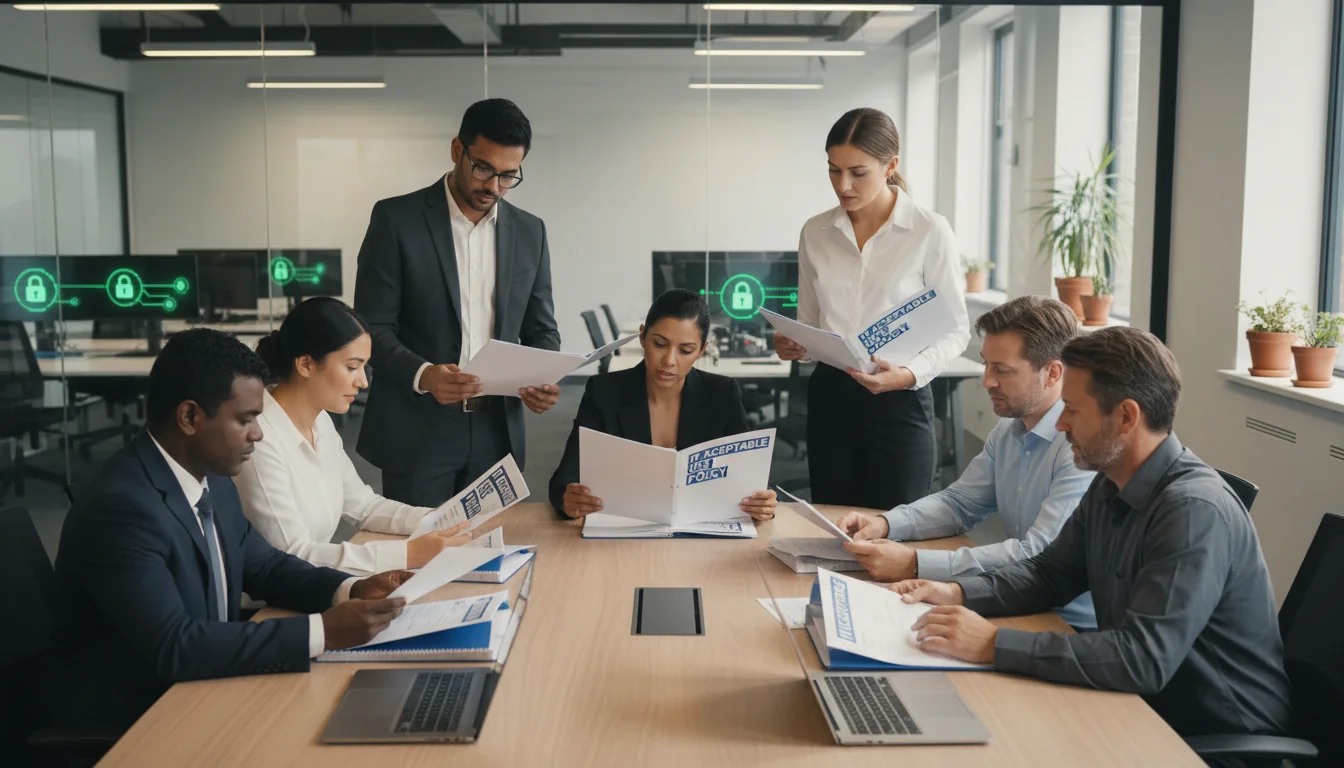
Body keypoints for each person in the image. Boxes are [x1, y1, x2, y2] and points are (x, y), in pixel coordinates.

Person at [890, 327, 1293, 740]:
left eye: (1073, 409)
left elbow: (1143, 658)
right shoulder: (1110, 480)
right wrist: (958, 592)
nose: (1061, 423)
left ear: (1126, 417)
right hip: (1137, 703)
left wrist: (994, 643)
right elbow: (1051, 573)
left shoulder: (1192, 511)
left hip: (1209, 733)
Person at [39, 329, 415, 739]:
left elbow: (266, 567)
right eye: (246, 419)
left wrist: (351, 590)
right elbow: (175, 646)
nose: (258, 434)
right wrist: (323, 631)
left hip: (200, 685)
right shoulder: (121, 508)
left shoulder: (209, 478)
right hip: (132, 718)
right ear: (189, 418)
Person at [837, 296, 1097, 629]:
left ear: (1052, 374)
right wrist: (885, 524)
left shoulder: (1080, 447)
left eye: (1002, 370)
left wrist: (915, 563)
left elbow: (1039, 554)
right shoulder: (1010, 429)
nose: (987, 381)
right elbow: (960, 503)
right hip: (1018, 601)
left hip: (1067, 625)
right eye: (986, 364)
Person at [354, 97, 561, 506]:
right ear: (456, 150)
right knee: (419, 559)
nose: (493, 187)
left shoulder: (530, 231)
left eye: (508, 176)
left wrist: (542, 375)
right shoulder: (397, 220)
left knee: (493, 558)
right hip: (418, 427)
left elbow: (542, 329)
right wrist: (424, 373)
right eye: (483, 168)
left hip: (496, 428)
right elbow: (370, 329)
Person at [774, 107, 970, 510]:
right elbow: (811, 323)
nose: (842, 185)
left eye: (857, 172)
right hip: (832, 398)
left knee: (897, 529)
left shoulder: (928, 231)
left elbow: (956, 331)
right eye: (833, 170)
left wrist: (909, 375)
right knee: (835, 529)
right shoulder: (816, 231)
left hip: (900, 399)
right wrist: (796, 344)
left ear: (890, 166)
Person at [237, 297, 471, 576]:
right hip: (274, 604)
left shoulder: (319, 420)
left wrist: (437, 519)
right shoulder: (260, 439)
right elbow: (293, 554)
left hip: (314, 586)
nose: (362, 381)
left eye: (364, 367)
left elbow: (364, 506)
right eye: (352, 366)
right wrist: (408, 554)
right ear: (306, 365)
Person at [549, 289, 777, 521]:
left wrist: (762, 503)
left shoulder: (722, 394)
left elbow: (750, 478)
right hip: (623, 531)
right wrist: (569, 499)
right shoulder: (604, 392)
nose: (669, 361)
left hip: (701, 532)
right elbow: (564, 477)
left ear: (701, 350)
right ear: (642, 337)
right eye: (659, 344)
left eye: (685, 350)